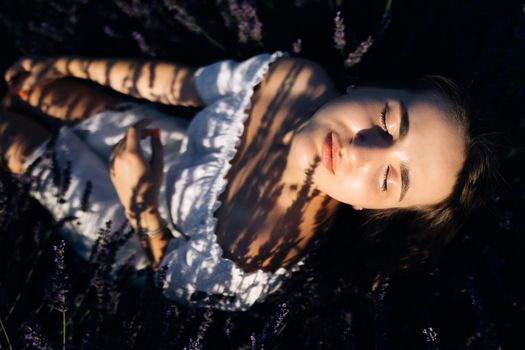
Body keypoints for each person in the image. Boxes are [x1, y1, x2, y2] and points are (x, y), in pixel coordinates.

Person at [0, 52, 492, 311]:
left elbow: (167, 280)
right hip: (168, 149)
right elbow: (178, 84)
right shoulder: (291, 80)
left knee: (17, 140)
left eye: (388, 180)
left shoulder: (261, 247)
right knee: (41, 89)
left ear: (372, 209)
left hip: (135, 231)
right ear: (369, 87)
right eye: (387, 120)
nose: (361, 150)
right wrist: (65, 64)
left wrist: (140, 202)